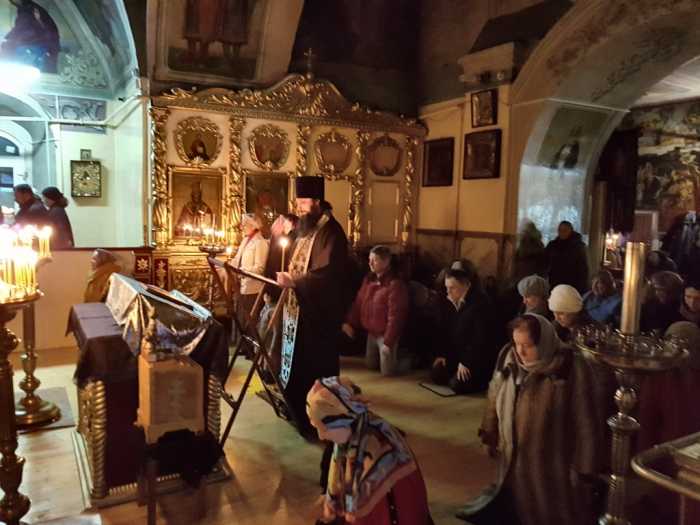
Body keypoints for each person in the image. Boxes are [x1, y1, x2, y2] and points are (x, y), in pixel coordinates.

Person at [456, 314, 602, 525]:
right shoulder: (508, 357)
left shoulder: (570, 367)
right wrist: (489, 431)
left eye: (528, 345)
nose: (520, 352)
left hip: (552, 467)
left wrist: (585, 469)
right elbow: (494, 394)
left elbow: (586, 423)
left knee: (550, 514)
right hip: (512, 458)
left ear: (543, 342)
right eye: (517, 343)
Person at [275, 176, 349, 433]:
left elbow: (328, 274)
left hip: (319, 317)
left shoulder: (332, 232)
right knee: (297, 363)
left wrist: (295, 281)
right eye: (298, 202)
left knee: (314, 366)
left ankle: (318, 417)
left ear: (317, 202)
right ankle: (296, 407)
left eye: (303, 202)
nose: (299, 207)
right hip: (298, 312)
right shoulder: (305, 229)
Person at [307, 376, 432, 525]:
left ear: (344, 420)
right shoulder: (352, 434)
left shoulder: (380, 456)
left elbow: (377, 518)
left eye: (324, 428)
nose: (321, 436)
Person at [637, 322, 700, 524]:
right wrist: (646, 454)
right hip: (665, 452)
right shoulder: (658, 378)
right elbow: (648, 421)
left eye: (685, 343)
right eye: (673, 343)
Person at [343, 245, 409, 376]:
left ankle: (409, 359)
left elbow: (396, 316)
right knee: (370, 365)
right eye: (369, 259)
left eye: (375, 260)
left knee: (388, 372)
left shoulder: (395, 284)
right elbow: (358, 303)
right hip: (372, 332)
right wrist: (349, 323)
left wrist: (388, 342)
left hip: (386, 334)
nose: (370, 263)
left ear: (386, 262)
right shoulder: (368, 280)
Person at [431, 267, 497, 394]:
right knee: (436, 374)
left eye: (452, 288)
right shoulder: (451, 300)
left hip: (475, 358)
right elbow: (446, 332)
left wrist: (466, 362)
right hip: (457, 354)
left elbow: (480, 339)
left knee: (457, 385)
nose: (448, 292)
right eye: (447, 287)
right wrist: (443, 354)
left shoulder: (480, 303)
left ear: (466, 285)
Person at [230, 213, 269, 316]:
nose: (241, 227)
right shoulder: (245, 240)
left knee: (248, 317)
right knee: (239, 316)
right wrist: (228, 266)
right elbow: (237, 259)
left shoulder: (260, 242)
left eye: (244, 225)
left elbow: (259, 268)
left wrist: (242, 271)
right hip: (240, 286)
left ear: (253, 226)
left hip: (252, 289)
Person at [545, 220, 589, 293]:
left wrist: (582, 287)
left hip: (572, 283)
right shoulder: (552, 245)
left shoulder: (578, 246)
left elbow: (583, 269)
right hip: (554, 282)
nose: (562, 232)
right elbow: (544, 260)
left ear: (570, 231)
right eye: (560, 230)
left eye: (565, 230)